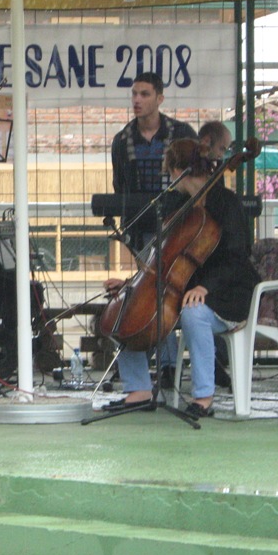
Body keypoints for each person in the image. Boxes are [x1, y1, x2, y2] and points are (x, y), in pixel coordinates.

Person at [103, 138, 260, 419]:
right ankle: (138, 390)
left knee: (194, 314)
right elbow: (167, 257)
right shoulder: (178, 204)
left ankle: (203, 397)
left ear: (177, 171)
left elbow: (237, 257)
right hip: (181, 288)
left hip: (228, 293)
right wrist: (133, 283)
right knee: (127, 307)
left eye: (170, 172)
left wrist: (206, 287)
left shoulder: (226, 204)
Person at [110, 72, 197, 386]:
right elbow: (120, 188)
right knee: (153, 295)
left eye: (144, 94)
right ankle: (167, 363)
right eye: (134, 93)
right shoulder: (122, 140)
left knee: (170, 293)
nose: (137, 100)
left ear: (160, 98)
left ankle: (171, 363)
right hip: (143, 229)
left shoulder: (182, 133)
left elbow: (195, 178)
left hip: (180, 226)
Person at [197, 120, 234, 389]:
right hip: (201, 271)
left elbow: (233, 255)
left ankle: (212, 368)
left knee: (197, 309)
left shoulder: (221, 196)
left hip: (215, 274)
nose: (222, 156)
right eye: (221, 148)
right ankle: (166, 366)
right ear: (207, 142)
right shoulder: (195, 174)